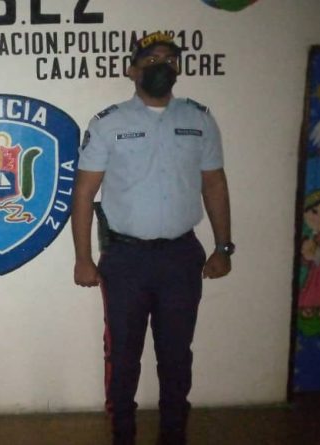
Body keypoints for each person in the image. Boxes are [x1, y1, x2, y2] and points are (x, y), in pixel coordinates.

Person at [71, 32, 233, 445]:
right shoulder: (108, 123)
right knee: (123, 354)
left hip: (181, 256)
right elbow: (84, 193)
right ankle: (123, 433)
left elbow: (214, 184)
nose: (162, 65)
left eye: (170, 59)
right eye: (152, 58)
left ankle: (173, 433)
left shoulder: (199, 119)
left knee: (177, 354)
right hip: (126, 259)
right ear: (132, 69)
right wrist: (83, 258)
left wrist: (223, 246)